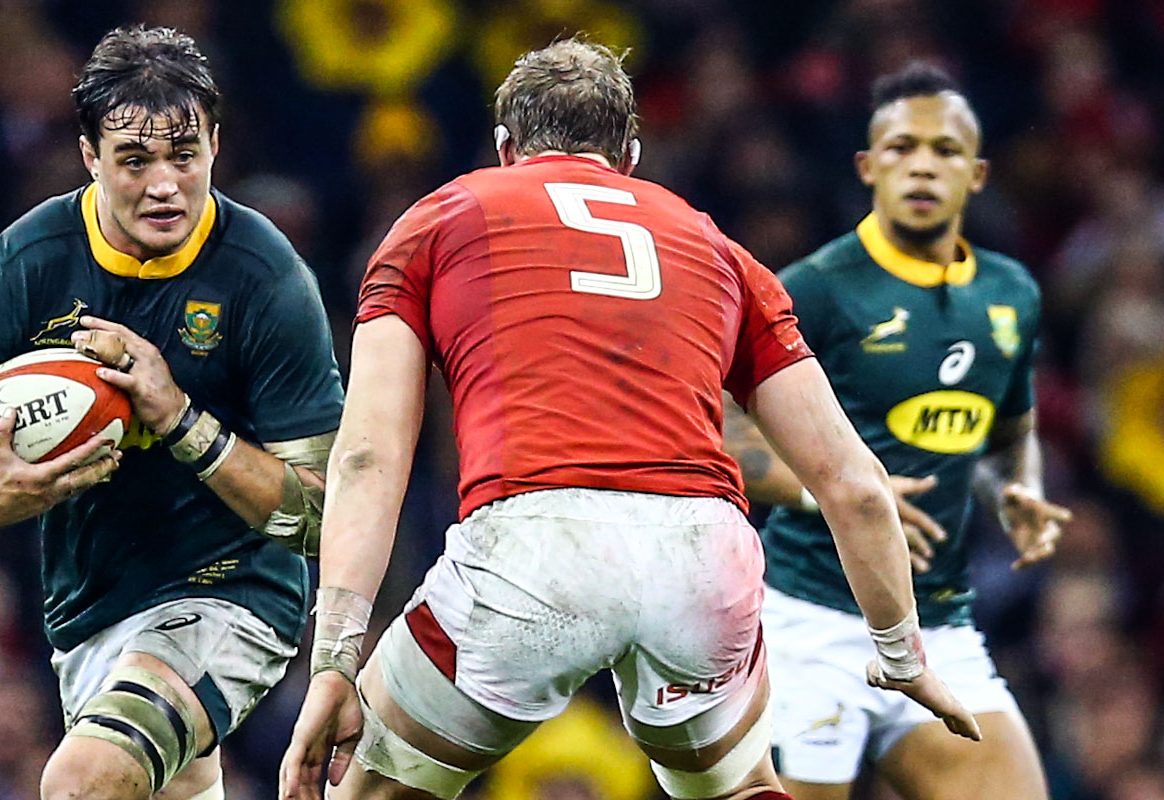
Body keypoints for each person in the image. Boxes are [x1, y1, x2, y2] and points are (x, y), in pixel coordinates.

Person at [278, 39, 979, 800]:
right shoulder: (718, 246)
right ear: (631, 155)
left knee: (371, 789)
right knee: (740, 787)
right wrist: (901, 651)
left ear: (505, 148)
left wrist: (335, 660)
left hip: (535, 544)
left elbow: (368, 457)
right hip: (702, 553)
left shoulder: (440, 218)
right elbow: (855, 482)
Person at [0, 26, 343, 800]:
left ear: (216, 141)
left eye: (184, 154)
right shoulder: (29, 262)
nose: (165, 185)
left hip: (231, 589)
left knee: (81, 781)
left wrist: (180, 418)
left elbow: (318, 516)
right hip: (91, 612)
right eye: (134, 161)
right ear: (88, 156)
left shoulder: (266, 277)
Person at [722, 62, 1070, 800]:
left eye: (944, 151)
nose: (921, 164)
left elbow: (1008, 421)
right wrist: (837, 498)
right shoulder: (814, 288)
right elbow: (720, 426)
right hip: (807, 623)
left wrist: (1017, 489)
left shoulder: (1010, 293)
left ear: (976, 174)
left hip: (938, 626)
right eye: (901, 147)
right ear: (867, 167)